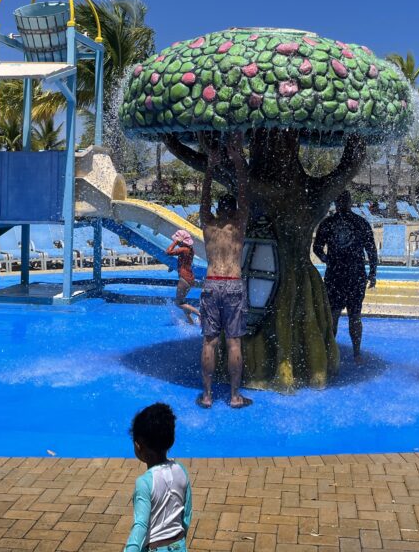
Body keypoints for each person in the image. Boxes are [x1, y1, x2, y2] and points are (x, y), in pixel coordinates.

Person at [197, 133, 251, 409]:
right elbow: (243, 191)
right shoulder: (239, 226)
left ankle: (207, 396)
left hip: (210, 283)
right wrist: (238, 161)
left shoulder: (209, 225)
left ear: (219, 209)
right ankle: (234, 396)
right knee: (233, 344)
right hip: (232, 284)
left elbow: (204, 199)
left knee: (209, 341)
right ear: (235, 210)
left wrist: (210, 167)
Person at [313, 190, 379, 362]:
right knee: (353, 315)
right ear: (349, 203)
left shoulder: (329, 223)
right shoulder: (359, 222)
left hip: (338, 274)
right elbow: (371, 251)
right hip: (353, 274)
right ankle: (356, 354)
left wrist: (327, 259)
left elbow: (317, 248)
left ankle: (331, 353)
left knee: (336, 315)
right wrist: (372, 273)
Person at [123, 402, 192, 552]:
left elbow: (140, 526)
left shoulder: (144, 483)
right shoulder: (181, 470)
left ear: (138, 445)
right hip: (179, 545)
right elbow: (186, 515)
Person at [165, 230, 199, 324]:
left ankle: (200, 314)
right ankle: (191, 321)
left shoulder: (184, 249)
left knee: (178, 303)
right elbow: (184, 262)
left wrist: (175, 242)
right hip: (190, 278)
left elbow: (168, 252)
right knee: (183, 301)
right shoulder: (190, 250)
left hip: (184, 279)